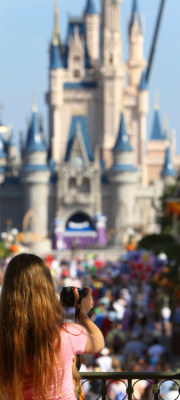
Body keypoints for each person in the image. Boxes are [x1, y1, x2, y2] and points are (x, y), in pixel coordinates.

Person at [0, 253, 104, 400]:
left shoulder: (4, 340)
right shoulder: (66, 334)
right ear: (47, 289)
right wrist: (83, 315)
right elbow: (98, 342)